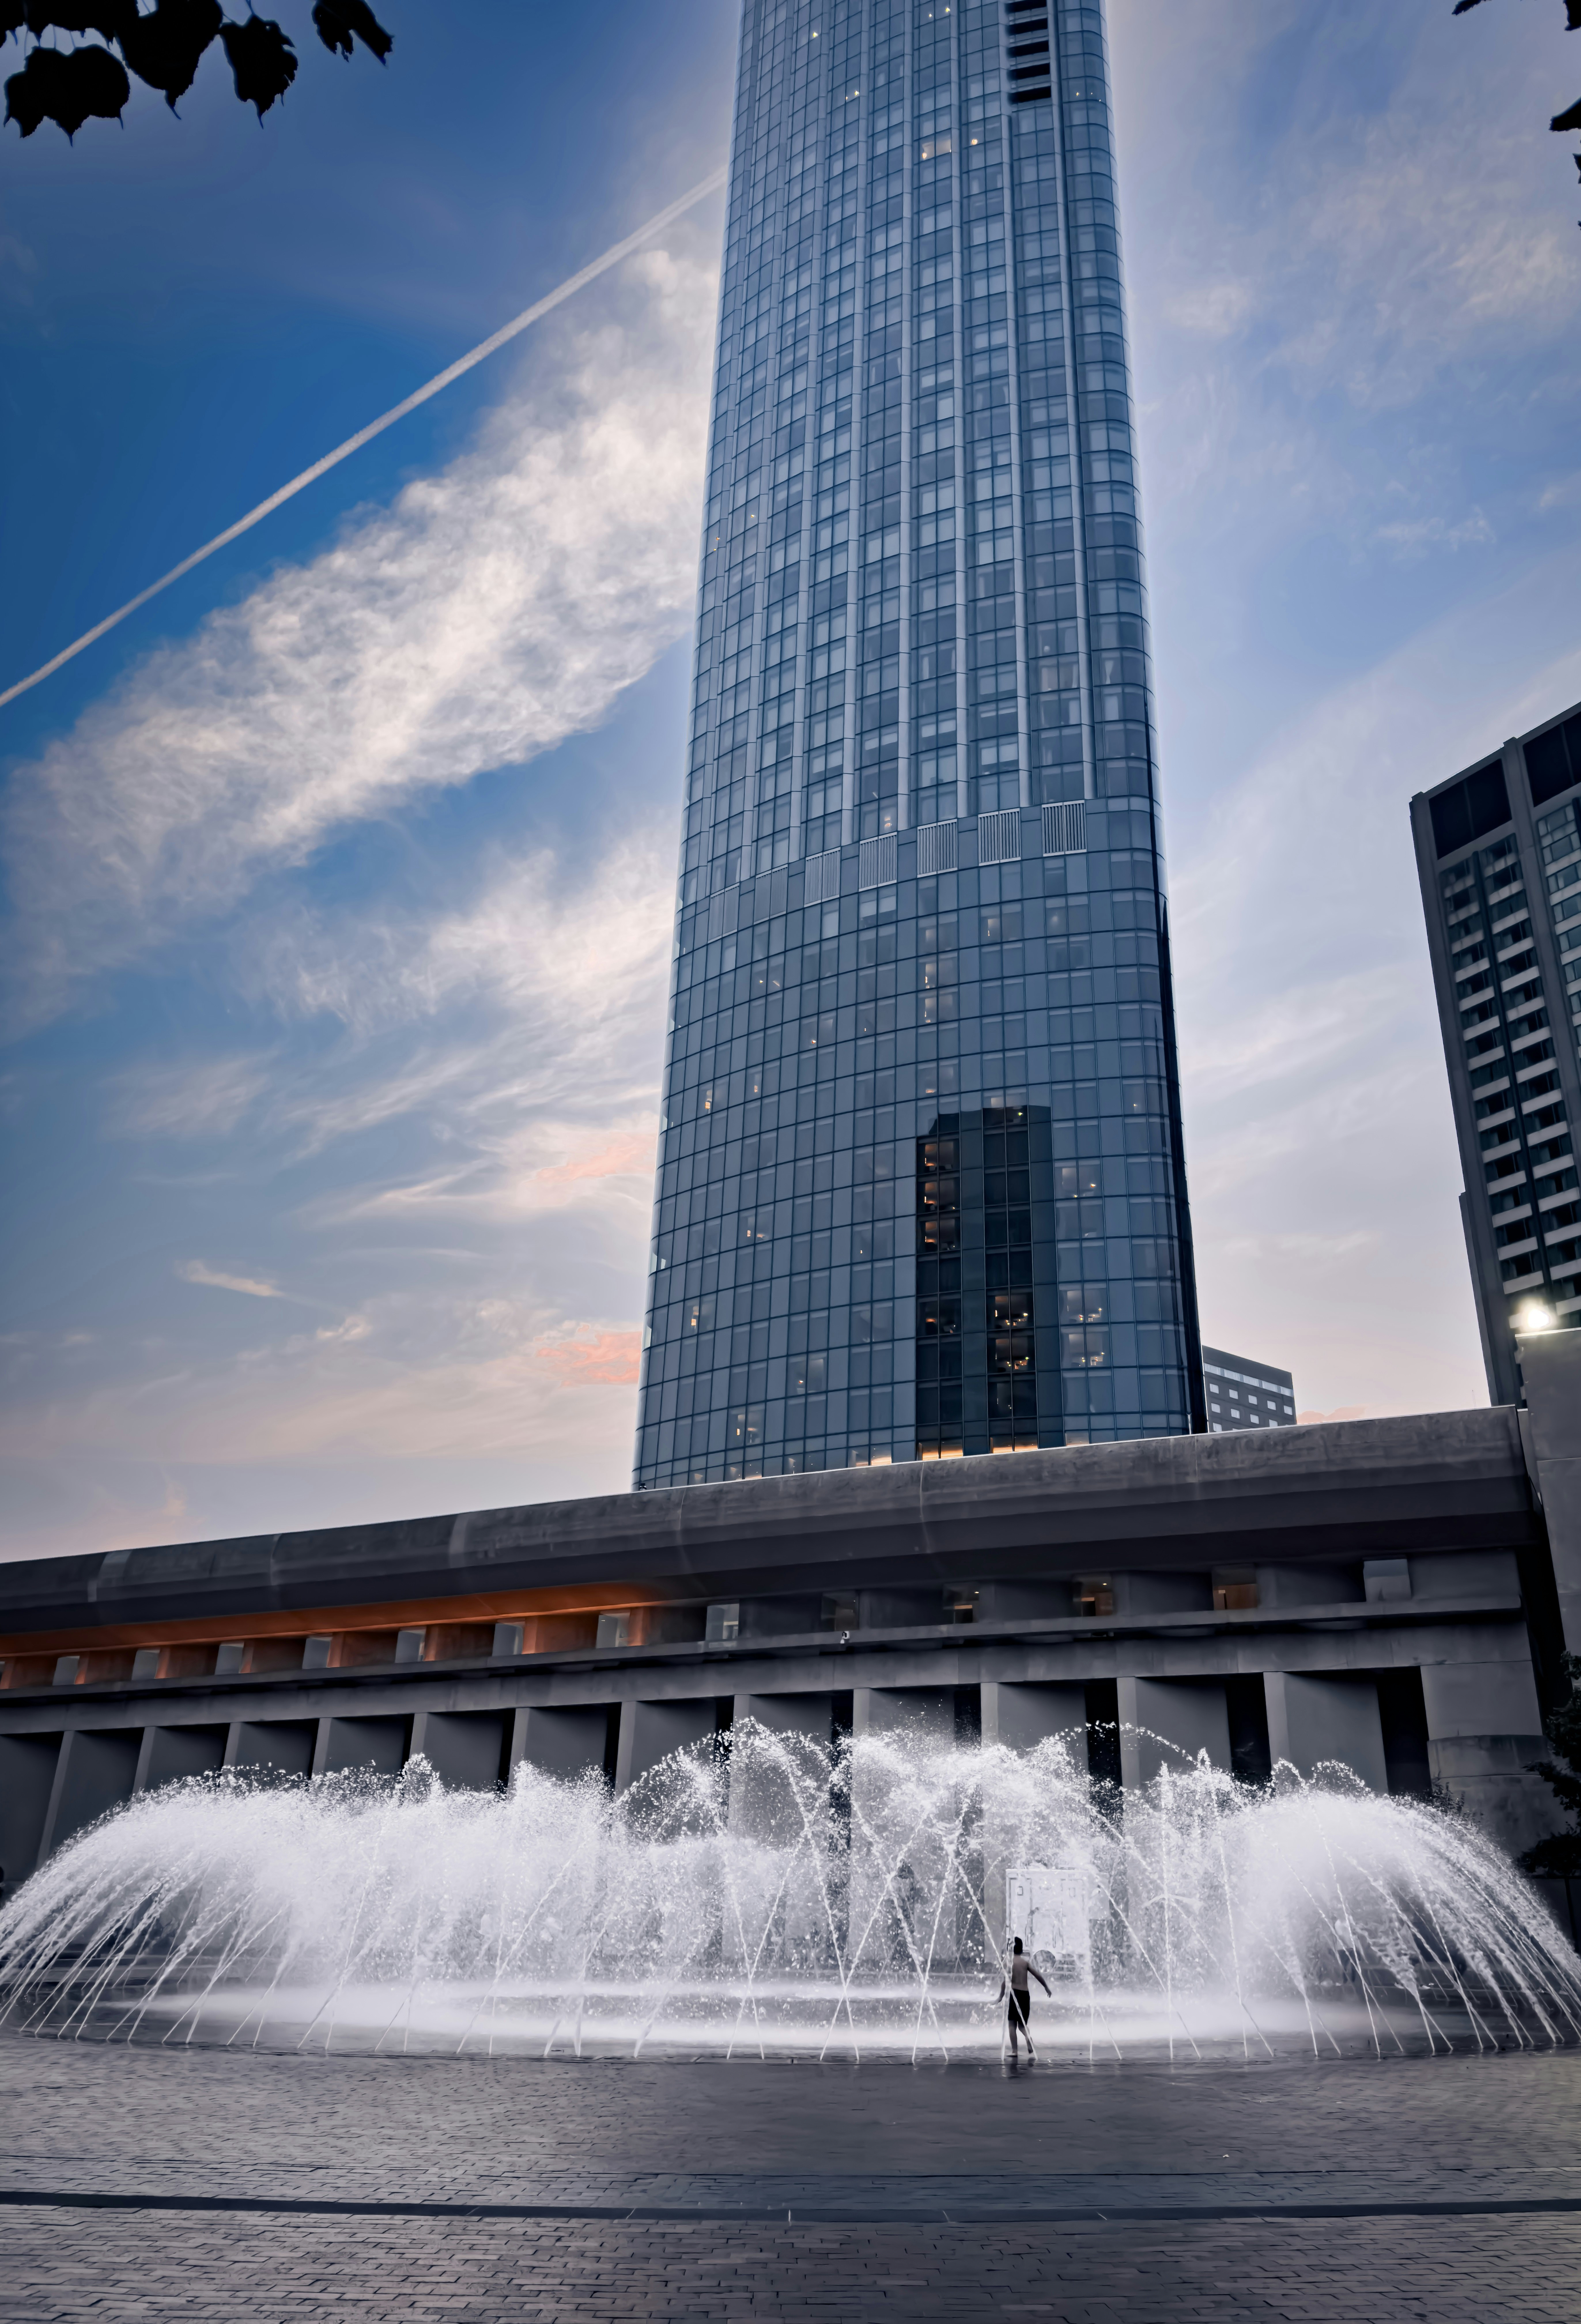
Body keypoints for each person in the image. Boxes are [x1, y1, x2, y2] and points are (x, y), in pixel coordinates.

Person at [996, 1936, 1051, 2059]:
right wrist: (1046, 1987)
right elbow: (1038, 1975)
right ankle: (1028, 2038)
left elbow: (1005, 1982)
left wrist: (1001, 1997)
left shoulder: (1010, 1963)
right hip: (1026, 1995)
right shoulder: (1025, 1963)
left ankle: (1015, 2051)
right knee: (1022, 2025)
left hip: (1015, 1995)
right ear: (1021, 1951)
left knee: (1012, 2025)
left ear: (1012, 1950)